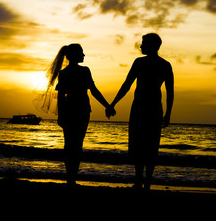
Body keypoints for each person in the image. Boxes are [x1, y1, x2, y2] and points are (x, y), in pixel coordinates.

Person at [106, 33, 174, 191]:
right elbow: (127, 85)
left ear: (151, 45)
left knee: (144, 144)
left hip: (146, 108)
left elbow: (127, 85)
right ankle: (143, 181)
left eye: (143, 43)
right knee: (147, 145)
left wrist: (112, 104)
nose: (140, 46)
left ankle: (142, 181)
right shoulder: (158, 64)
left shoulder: (152, 64)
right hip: (148, 108)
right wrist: (113, 103)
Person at [47, 43, 111, 187]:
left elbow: (62, 97)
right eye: (81, 52)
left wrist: (60, 115)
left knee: (69, 144)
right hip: (81, 110)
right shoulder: (84, 71)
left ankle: (70, 178)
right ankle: (72, 178)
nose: (83, 55)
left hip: (70, 110)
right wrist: (107, 106)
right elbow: (93, 91)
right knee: (76, 145)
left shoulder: (64, 73)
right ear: (74, 55)